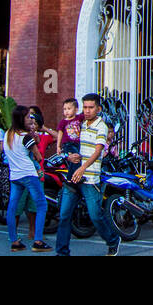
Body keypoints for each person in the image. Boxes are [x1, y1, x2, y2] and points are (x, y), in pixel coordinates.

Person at [55, 93, 120, 256]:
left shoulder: (101, 126)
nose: (87, 111)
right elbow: (66, 144)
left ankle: (112, 240)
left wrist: (82, 168)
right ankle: (62, 252)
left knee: (95, 216)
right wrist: (68, 156)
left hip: (90, 178)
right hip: (73, 177)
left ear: (98, 109)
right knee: (64, 215)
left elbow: (98, 151)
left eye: (91, 107)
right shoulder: (78, 123)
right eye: (85, 107)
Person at [4, 106, 50, 252]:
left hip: (15, 175)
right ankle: (38, 240)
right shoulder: (26, 137)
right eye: (28, 117)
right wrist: (35, 140)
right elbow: (38, 157)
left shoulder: (8, 134)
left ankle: (14, 241)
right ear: (21, 119)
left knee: (12, 207)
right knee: (41, 205)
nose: (31, 119)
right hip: (29, 174)